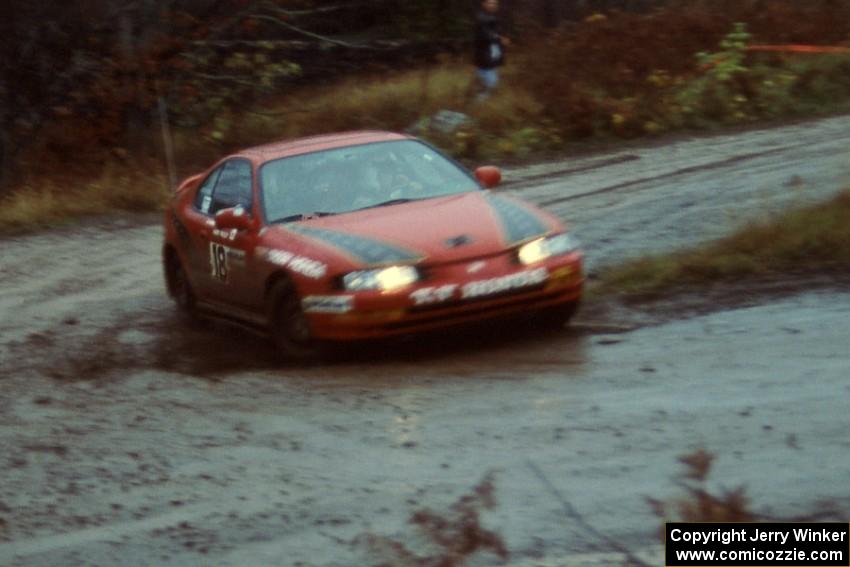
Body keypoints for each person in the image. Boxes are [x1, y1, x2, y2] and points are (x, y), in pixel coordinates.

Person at [474, 0, 510, 99]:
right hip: (484, 56)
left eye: (495, 3)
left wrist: (501, 39)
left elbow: (494, 33)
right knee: (490, 85)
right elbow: (486, 35)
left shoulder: (493, 17)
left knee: (488, 84)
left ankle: (483, 104)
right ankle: (480, 104)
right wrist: (501, 39)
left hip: (490, 56)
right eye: (490, 3)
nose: (493, 5)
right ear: (483, 4)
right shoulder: (482, 18)